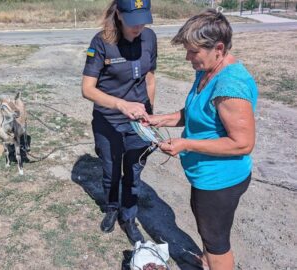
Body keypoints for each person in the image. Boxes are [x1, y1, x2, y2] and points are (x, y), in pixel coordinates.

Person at [146, 9, 258, 270]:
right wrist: (161, 119)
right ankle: (207, 261)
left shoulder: (230, 85)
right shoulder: (208, 70)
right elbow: (198, 114)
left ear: (218, 48)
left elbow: (242, 143)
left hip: (220, 180)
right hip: (206, 176)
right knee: (209, 236)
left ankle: (215, 262)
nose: (188, 57)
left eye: (193, 51)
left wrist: (186, 144)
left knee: (217, 242)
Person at [81, 0, 157, 244]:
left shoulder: (150, 38)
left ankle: (129, 217)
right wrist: (121, 105)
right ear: (119, 15)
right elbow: (87, 89)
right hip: (109, 121)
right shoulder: (101, 42)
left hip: (138, 122)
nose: (140, 27)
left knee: (133, 173)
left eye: (144, 19)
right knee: (111, 172)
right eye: (134, 21)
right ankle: (112, 208)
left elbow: (150, 79)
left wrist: (150, 115)